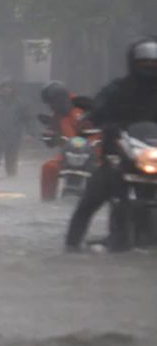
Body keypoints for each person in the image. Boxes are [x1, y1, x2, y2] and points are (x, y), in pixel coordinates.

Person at [65, 37, 157, 251]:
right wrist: (98, 117)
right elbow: (98, 107)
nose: (150, 67)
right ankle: (71, 246)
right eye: (144, 63)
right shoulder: (118, 89)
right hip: (120, 155)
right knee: (88, 202)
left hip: (152, 154)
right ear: (133, 63)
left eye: (154, 63)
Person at [39, 81, 91, 201]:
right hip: (68, 154)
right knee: (48, 168)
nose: (51, 106)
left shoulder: (84, 107)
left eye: (52, 103)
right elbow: (53, 131)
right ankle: (47, 200)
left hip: (93, 154)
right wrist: (50, 137)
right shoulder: (57, 115)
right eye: (49, 104)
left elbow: (100, 128)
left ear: (59, 99)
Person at [0, 80, 32, 177]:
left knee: (12, 156)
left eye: (9, 87)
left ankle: (11, 174)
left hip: (14, 134)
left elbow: (27, 119)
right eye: (3, 88)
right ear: (0, 90)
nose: (6, 90)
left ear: (13, 90)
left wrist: (29, 132)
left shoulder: (20, 103)